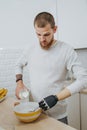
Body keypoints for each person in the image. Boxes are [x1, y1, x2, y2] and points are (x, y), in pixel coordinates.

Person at [15, 12, 87, 124]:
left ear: (55, 29)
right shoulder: (30, 48)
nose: (42, 39)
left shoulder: (66, 50)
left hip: (58, 115)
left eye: (46, 34)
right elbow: (18, 64)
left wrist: (56, 98)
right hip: (35, 111)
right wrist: (19, 83)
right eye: (38, 34)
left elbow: (83, 80)